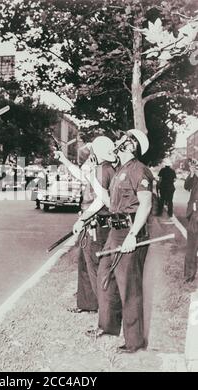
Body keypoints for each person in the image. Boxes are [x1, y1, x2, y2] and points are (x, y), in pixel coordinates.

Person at [93, 129, 153, 354]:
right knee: (105, 275)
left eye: (121, 140)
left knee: (129, 286)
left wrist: (132, 235)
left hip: (130, 231)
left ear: (131, 145)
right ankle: (109, 326)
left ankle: (134, 341)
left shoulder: (140, 171)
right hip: (115, 231)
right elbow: (110, 202)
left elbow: (145, 205)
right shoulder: (119, 171)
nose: (116, 142)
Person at [55, 136, 116, 313]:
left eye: (90, 154)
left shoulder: (103, 171)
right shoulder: (99, 169)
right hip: (90, 222)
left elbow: (101, 200)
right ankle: (88, 304)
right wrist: (65, 160)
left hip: (95, 223)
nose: (87, 159)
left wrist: (83, 219)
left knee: (95, 266)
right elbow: (82, 175)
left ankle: (104, 310)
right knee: (85, 263)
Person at [184, 159, 198, 283]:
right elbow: (186, 186)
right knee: (191, 246)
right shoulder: (195, 176)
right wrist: (192, 173)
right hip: (194, 214)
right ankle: (189, 275)